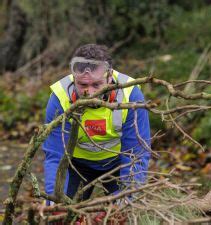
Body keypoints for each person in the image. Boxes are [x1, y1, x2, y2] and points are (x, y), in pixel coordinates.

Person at [42, 44, 151, 221]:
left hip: (118, 164)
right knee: (60, 216)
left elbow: (136, 153)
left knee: (123, 216)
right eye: (82, 84)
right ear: (74, 78)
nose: (89, 92)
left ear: (109, 77)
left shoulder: (131, 94)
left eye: (96, 85)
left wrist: (127, 197)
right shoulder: (59, 98)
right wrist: (54, 197)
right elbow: (55, 155)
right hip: (76, 166)